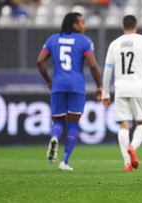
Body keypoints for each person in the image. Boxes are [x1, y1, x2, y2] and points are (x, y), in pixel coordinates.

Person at [37, 12, 102, 171]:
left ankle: (54, 137)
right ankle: (64, 161)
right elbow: (93, 65)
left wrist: (49, 81)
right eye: (82, 22)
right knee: (73, 124)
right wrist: (100, 85)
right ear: (74, 25)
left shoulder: (53, 39)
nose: (84, 25)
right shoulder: (84, 41)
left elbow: (40, 62)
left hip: (58, 85)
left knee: (58, 121)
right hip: (76, 86)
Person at [102, 15, 142, 171]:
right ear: (136, 26)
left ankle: (127, 163)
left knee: (123, 125)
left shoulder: (114, 44)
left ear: (123, 26)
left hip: (120, 88)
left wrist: (105, 93)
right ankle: (133, 147)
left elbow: (107, 70)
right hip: (138, 88)